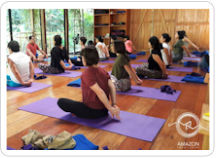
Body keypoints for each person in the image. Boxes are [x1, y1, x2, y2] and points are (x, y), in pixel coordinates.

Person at [57, 46, 120, 119]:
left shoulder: (86, 74)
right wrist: (113, 104)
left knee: (61, 102)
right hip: (104, 110)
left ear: (86, 59)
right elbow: (112, 87)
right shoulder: (103, 71)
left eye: (82, 58)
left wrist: (110, 109)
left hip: (93, 111)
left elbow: (100, 92)